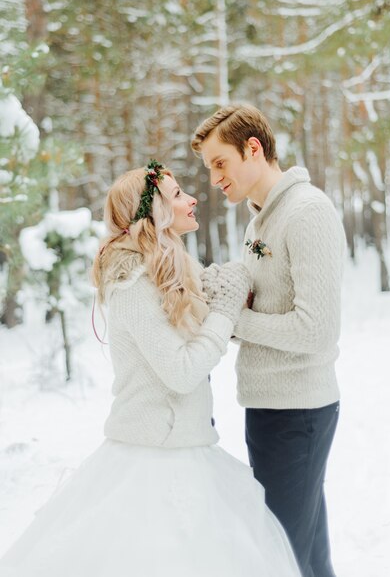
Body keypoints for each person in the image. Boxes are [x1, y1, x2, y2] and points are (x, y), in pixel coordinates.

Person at [0, 161, 301, 577]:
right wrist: (225, 312)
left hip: (192, 449)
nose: (192, 198)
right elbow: (181, 371)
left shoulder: (171, 268)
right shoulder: (131, 284)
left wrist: (218, 291)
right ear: (154, 214)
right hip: (150, 464)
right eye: (177, 194)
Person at [192, 105, 346, 577]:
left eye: (221, 163)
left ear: (253, 149)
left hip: (296, 413)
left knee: (281, 556)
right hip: (273, 409)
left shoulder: (307, 212)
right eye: (209, 168)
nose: (215, 178)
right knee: (305, 553)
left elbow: (316, 329)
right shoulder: (259, 220)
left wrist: (233, 321)